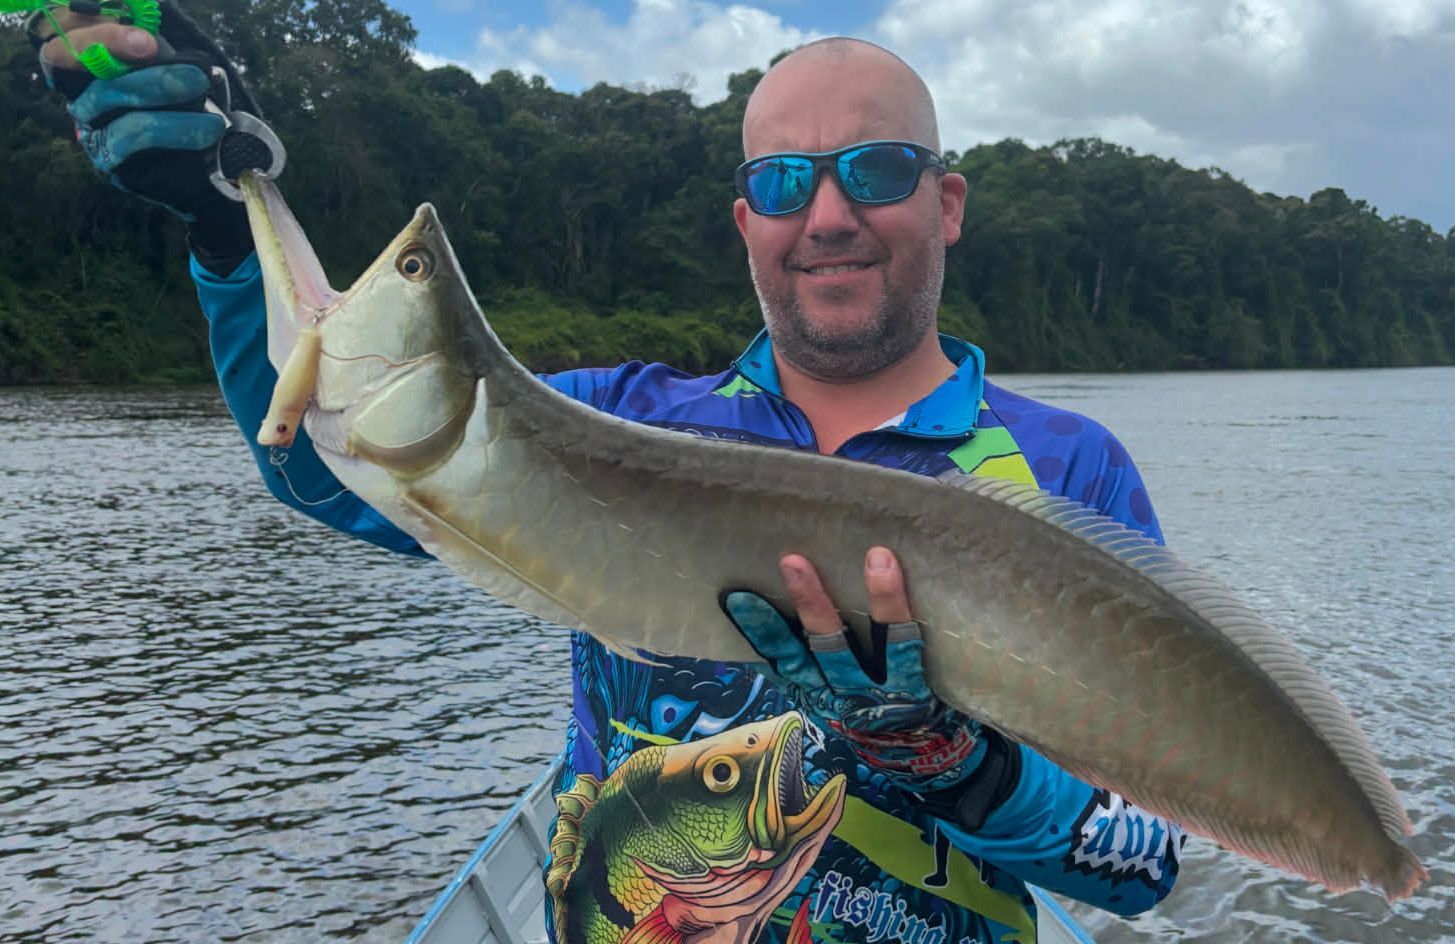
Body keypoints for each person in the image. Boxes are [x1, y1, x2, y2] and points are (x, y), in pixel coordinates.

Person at [36, 9, 1182, 942]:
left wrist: (952, 759)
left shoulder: (1064, 475)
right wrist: (228, 219)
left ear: (945, 201)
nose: (826, 215)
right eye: (784, 183)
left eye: (874, 171)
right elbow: (328, 463)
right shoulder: (612, 424)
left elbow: (1142, 859)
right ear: (746, 221)